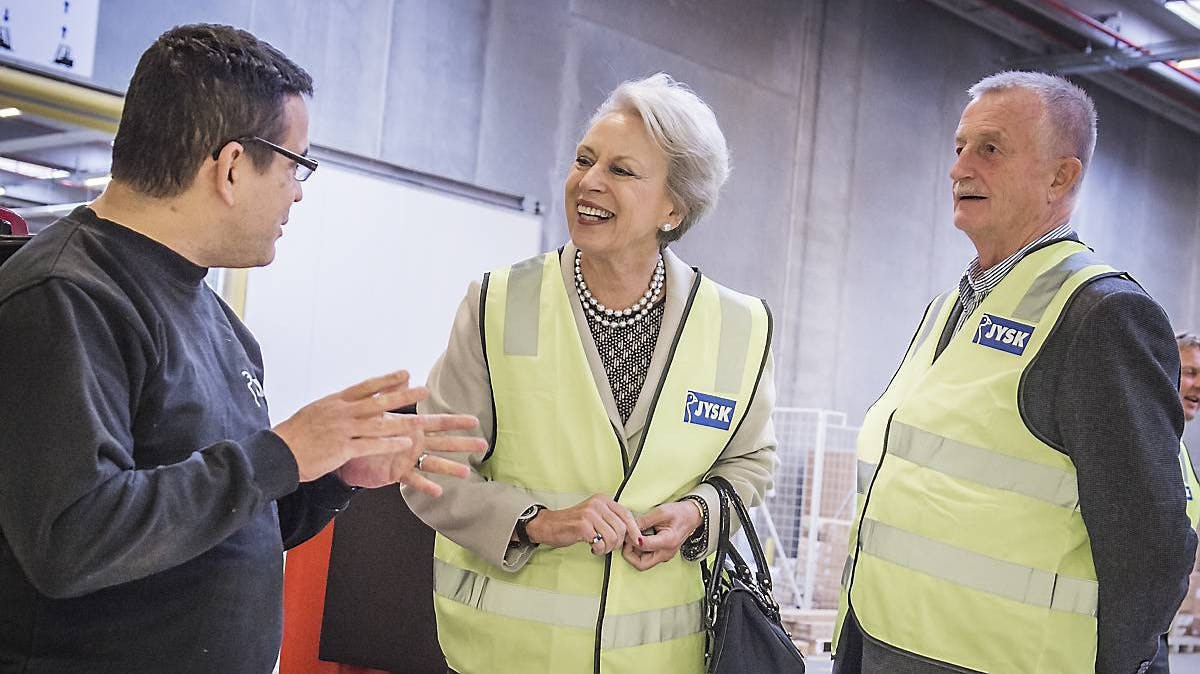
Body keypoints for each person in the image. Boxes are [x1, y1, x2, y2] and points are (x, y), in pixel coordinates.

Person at [0, 24, 484, 673]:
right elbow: (73, 538)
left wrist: (330, 476)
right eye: (296, 164)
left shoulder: (222, 325)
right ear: (230, 167)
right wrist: (282, 452)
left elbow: (232, 522)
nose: (300, 190)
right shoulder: (67, 297)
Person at [404, 73, 777, 674]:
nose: (589, 181)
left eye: (622, 171)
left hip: (666, 660)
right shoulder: (498, 303)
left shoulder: (740, 325)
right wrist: (537, 523)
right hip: (509, 655)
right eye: (584, 159)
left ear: (673, 206)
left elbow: (751, 464)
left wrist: (699, 513)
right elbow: (432, 470)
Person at [832, 71, 1197, 674]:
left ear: (1061, 176)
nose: (960, 168)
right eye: (959, 147)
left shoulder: (1100, 316)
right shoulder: (952, 307)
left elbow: (1150, 542)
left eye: (991, 149)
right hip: (888, 643)